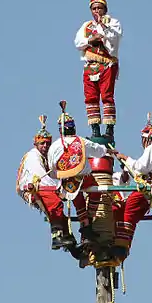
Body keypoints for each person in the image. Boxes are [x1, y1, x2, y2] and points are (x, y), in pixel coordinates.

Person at [48, 104, 116, 244]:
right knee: (96, 192)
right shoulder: (80, 141)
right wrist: (109, 151)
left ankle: (86, 226)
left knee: (78, 203)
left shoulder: (54, 146)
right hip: (84, 178)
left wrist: (60, 178)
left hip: (67, 182)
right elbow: (98, 150)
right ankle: (88, 223)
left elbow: (51, 169)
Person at [114, 113, 152, 253]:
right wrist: (125, 166)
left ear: (146, 139)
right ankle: (122, 242)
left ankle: (122, 243)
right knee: (131, 212)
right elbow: (141, 172)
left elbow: (140, 168)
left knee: (129, 208)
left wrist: (125, 158)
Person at [16, 115, 75, 250]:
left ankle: (69, 241)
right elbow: (42, 177)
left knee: (61, 215)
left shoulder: (45, 157)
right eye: (42, 143)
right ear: (36, 144)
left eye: (48, 143)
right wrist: (60, 190)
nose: (45, 146)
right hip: (34, 187)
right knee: (55, 203)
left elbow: (54, 173)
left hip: (41, 186)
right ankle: (57, 237)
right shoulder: (33, 156)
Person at [74, 0, 122, 139]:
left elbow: (114, 39)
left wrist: (103, 28)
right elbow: (78, 42)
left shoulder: (113, 22)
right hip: (90, 65)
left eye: (99, 8)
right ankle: (95, 129)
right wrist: (90, 40)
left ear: (105, 9)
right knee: (90, 97)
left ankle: (109, 129)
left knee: (107, 96)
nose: (97, 11)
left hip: (107, 64)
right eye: (94, 9)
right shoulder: (86, 26)